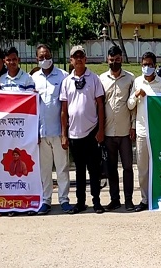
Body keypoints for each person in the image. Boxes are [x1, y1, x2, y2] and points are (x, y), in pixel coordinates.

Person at [60, 45, 106, 214]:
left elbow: (100, 105)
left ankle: (97, 201)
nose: (78, 59)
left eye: (81, 56)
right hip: (73, 133)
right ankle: (80, 202)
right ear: (70, 60)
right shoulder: (66, 82)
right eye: (75, 56)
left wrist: (101, 130)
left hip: (91, 131)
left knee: (94, 169)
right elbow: (64, 110)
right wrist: (64, 134)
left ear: (85, 58)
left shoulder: (94, 79)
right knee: (79, 170)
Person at [32, 44, 72, 215]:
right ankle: (45, 201)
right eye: (41, 57)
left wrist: (65, 133)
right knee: (44, 169)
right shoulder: (33, 78)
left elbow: (66, 105)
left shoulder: (63, 76)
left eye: (46, 56)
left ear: (52, 56)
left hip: (59, 131)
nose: (44, 59)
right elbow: (31, 106)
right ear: (37, 59)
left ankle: (64, 200)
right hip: (41, 133)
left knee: (62, 168)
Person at [127, 51, 161, 212]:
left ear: (155, 66)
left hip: (157, 131)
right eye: (144, 64)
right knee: (143, 169)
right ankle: (144, 199)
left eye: (150, 65)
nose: (147, 67)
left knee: (158, 167)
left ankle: (159, 197)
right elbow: (130, 105)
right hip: (142, 131)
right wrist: (137, 95)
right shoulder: (137, 82)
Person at [99, 45, 136, 212]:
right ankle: (115, 199)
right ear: (108, 60)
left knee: (127, 167)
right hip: (107, 132)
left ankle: (128, 200)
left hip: (125, 131)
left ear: (122, 59)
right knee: (111, 168)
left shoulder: (130, 78)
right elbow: (99, 105)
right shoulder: (101, 79)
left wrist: (133, 126)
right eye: (112, 60)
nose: (114, 63)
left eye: (117, 60)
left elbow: (134, 106)